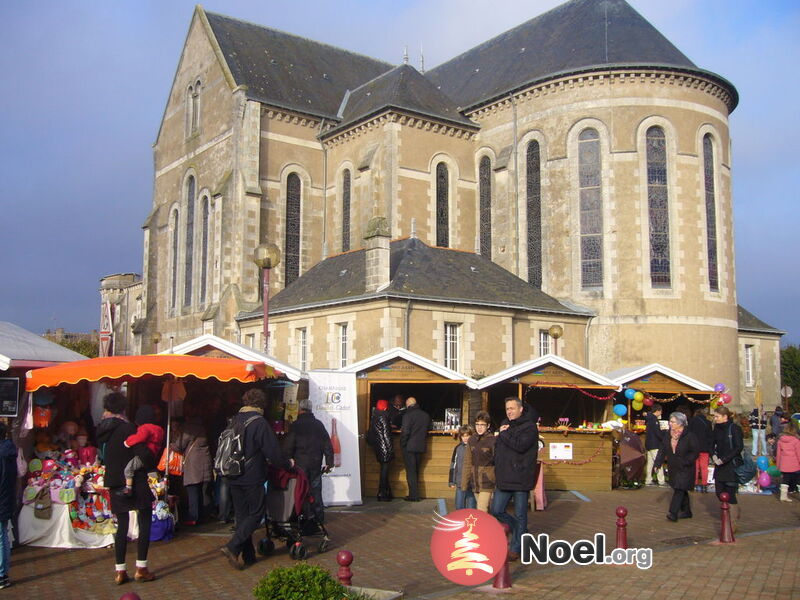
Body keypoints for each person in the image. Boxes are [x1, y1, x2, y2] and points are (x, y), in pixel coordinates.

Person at [221, 389, 292, 570]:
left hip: (233, 474)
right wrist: (287, 464)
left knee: (242, 516)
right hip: (252, 475)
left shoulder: (234, 420)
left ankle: (249, 555)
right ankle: (232, 546)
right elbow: (273, 452)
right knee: (256, 513)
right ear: (261, 404)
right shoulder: (259, 423)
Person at [96, 392, 157, 584]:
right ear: (123, 408)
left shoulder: (103, 430)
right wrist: (151, 457)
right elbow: (141, 452)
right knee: (144, 520)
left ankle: (120, 570)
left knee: (121, 525)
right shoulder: (129, 428)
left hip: (114, 480)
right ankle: (141, 567)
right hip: (135, 480)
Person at [491, 397, 538, 562]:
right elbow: (500, 448)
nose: (509, 411)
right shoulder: (505, 425)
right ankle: (521, 531)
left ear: (520, 409)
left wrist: (503, 434)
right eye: (507, 409)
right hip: (504, 476)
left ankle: (516, 548)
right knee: (496, 510)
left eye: (512, 408)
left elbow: (520, 446)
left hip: (521, 476)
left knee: (520, 514)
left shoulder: (530, 427)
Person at [282, 398, 333, 524]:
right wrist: (329, 461)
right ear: (311, 409)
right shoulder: (319, 425)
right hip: (315, 462)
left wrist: (287, 459)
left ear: (300, 410)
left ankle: (301, 517)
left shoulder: (296, 425)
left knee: (300, 490)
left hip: (300, 464)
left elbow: (288, 445)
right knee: (315, 491)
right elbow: (327, 443)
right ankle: (318, 518)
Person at [171, 408, 213, 525]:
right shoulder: (203, 427)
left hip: (193, 464)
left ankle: (193, 517)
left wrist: (171, 442)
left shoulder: (189, 428)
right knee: (204, 492)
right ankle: (205, 515)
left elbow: (179, 446)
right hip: (206, 462)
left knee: (193, 490)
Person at [655, 412, 699, 521]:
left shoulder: (689, 435)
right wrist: (658, 463)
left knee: (679, 489)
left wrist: (686, 461)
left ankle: (672, 513)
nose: (670, 424)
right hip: (673, 466)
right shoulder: (668, 435)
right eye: (670, 421)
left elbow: (695, 452)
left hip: (685, 467)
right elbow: (662, 449)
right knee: (680, 488)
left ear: (680, 423)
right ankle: (687, 511)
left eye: (673, 422)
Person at [711, 405, 744, 529]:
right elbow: (712, 443)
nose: (715, 419)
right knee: (719, 492)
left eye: (717, 416)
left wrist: (724, 459)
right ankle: (729, 512)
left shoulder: (734, 428)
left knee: (730, 493)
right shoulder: (716, 429)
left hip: (730, 465)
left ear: (725, 417)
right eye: (715, 416)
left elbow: (738, 447)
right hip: (719, 465)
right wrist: (713, 455)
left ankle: (732, 521)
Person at [122, 405, 165, 497]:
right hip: (154, 454)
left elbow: (139, 438)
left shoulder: (145, 428)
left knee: (129, 468)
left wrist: (127, 442)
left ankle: (128, 488)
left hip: (144, 454)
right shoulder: (159, 429)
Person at [462, 411, 495, 512]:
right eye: (477, 424)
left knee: (481, 509)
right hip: (475, 481)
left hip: (488, 481)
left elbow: (499, 462)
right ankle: (491, 527)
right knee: (485, 510)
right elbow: (467, 462)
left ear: (488, 425)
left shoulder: (493, 440)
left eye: (482, 425)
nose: (479, 427)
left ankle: (485, 527)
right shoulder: (471, 440)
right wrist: (464, 483)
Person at [400, 397, 430, 502]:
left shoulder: (407, 415)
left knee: (411, 472)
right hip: (421, 447)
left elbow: (405, 432)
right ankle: (415, 494)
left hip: (409, 447)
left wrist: (403, 445)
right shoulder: (425, 415)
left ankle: (414, 496)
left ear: (408, 404)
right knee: (416, 471)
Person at [0, 423, 17, 590]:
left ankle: (1, 574)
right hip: (6, 499)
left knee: (1, 536)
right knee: (2, 535)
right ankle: (2, 574)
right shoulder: (10, 452)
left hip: (2, 499)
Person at [367, 399, 394, 501]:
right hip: (385, 448)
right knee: (384, 472)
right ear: (386, 407)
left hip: (378, 447)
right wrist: (390, 449)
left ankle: (386, 493)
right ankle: (382, 493)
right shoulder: (384, 416)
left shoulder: (375, 416)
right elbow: (386, 435)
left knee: (384, 471)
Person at [449, 425, 476, 510]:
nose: (465, 438)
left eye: (467, 435)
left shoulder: (475, 448)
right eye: (463, 436)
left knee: (471, 507)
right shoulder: (457, 448)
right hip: (460, 482)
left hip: (472, 483)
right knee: (459, 507)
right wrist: (451, 481)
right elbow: (453, 465)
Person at [688, 407, 713, 492]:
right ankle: (704, 484)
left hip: (694, 447)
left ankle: (694, 484)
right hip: (705, 448)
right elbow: (710, 436)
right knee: (704, 467)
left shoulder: (691, 422)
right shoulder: (708, 423)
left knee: (695, 467)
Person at [776, 420, 800, 502]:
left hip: (784, 463)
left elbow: (778, 454)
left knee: (785, 479)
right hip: (794, 464)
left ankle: (783, 496)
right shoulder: (796, 441)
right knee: (797, 479)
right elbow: (799, 453)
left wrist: (778, 464)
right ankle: (795, 491)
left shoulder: (780, 441)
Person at [644, 403, 665, 486]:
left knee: (650, 463)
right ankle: (661, 481)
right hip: (655, 444)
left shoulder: (649, 418)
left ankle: (648, 480)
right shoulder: (654, 420)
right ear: (657, 411)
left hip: (648, 444)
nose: (661, 413)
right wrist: (664, 435)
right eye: (661, 411)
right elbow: (657, 433)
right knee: (658, 461)